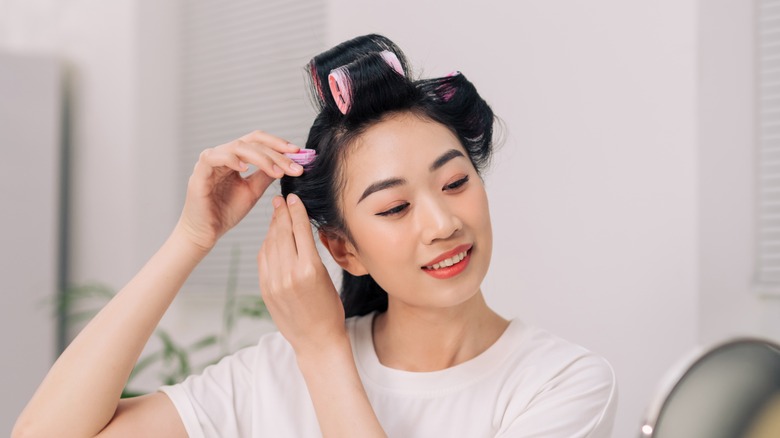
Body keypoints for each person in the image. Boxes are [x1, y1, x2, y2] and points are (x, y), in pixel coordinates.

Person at [13, 34, 617, 438]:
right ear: (342, 248)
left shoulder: (561, 382)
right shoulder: (277, 373)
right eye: (395, 206)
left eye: (455, 182)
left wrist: (326, 356)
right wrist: (191, 238)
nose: (442, 223)